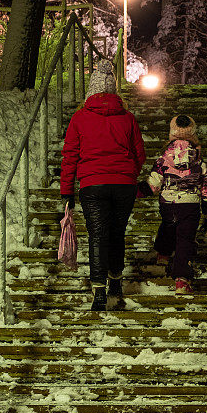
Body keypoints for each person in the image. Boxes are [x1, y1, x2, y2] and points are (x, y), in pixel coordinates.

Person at [60, 60, 145, 310]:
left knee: (98, 235)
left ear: (91, 92)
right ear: (114, 92)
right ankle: (116, 282)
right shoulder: (128, 118)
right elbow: (139, 154)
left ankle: (98, 290)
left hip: (92, 186)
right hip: (123, 186)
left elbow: (70, 156)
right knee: (117, 233)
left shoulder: (79, 118)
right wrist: (129, 173)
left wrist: (67, 190)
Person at [138, 115, 207, 294]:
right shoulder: (198, 160)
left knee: (168, 225)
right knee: (185, 240)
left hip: (168, 202)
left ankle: (163, 255)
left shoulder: (163, 159)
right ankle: (181, 280)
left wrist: (134, 191)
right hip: (190, 205)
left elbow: (153, 184)